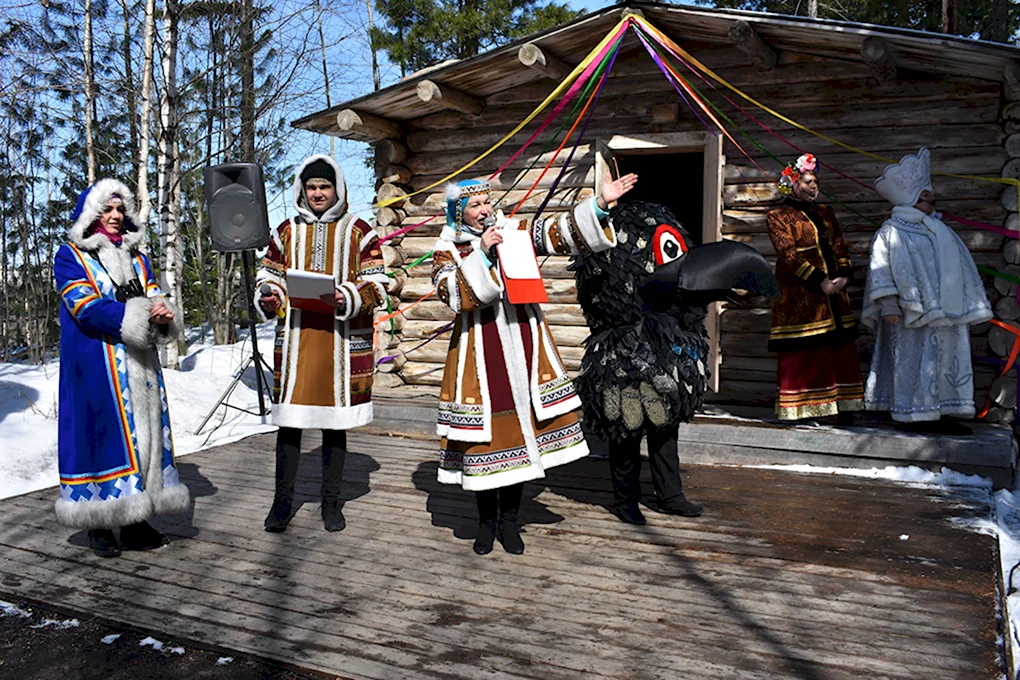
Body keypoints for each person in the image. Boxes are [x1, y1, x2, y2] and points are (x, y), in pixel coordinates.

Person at [432, 173, 637, 555]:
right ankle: (486, 523)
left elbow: (555, 232)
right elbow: (451, 293)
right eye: (474, 206)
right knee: (486, 443)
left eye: (486, 203)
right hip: (480, 357)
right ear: (459, 213)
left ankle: (510, 523)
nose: (484, 211)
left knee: (522, 442)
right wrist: (484, 256)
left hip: (526, 351)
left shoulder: (512, 231)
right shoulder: (449, 249)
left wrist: (598, 204)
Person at [54, 179, 189, 558]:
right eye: (107, 210)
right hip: (95, 366)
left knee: (143, 439)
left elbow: (151, 295)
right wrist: (139, 313)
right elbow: (85, 307)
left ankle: (136, 521)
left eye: (120, 209)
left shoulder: (138, 256)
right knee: (99, 438)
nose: (115, 216)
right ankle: (98, 523)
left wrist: (162, 313)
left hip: (139, 366)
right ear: (91, 214)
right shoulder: (71, 256)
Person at [256, 154, 388, 533]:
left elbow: (379, 282)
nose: (317, 193)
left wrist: (348, 296)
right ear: (302, 189)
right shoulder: (285, 232)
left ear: (337, 189)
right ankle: (282, 502)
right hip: (298, 341)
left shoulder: (359, 231)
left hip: (340, 345)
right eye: (311, 187)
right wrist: (269, 295)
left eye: (324, 187)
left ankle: (332, 503)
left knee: (334, 427)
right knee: (290, 427)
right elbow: (269, 276)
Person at [863, 148, 992, 433]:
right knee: (914, 360)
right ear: (909, 198)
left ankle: (945, 412)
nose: (930, 199)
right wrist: (889, 304)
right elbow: (880, 268)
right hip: (911, 314)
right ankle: (912, 413)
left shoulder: (938, 229)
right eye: (924, 195)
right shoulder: (891, 231)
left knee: (948, 360)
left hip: (948, 312)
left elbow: (960, 267)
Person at [766, 153, 864, 423]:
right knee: (807, 350)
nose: (813, 187)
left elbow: (839, 244)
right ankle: (805, 410)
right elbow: (788, 254)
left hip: (834, 293)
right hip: (801, 294)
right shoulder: (778, 216)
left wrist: (843, 275)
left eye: (815, 182)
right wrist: (819, 280)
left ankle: (840, 408)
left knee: (837, 349)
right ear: (794, 184)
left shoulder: (826, 212)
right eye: (808, 181)